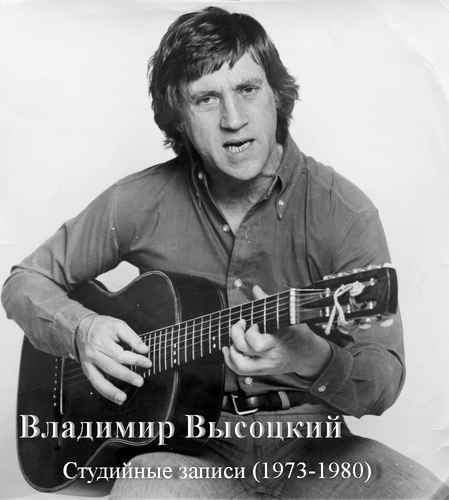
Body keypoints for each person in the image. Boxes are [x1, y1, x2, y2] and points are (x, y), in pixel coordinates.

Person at [2, 6, 447, 499]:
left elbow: (383, 380)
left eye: (248, 89)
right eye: (206, 98)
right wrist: (82, 330)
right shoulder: (138, 201)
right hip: (190, 451)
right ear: (178, 116)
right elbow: (24, 282)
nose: (233, 120)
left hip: (315, 449)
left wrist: (312, 358)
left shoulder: (343, 211)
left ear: (277, 95)